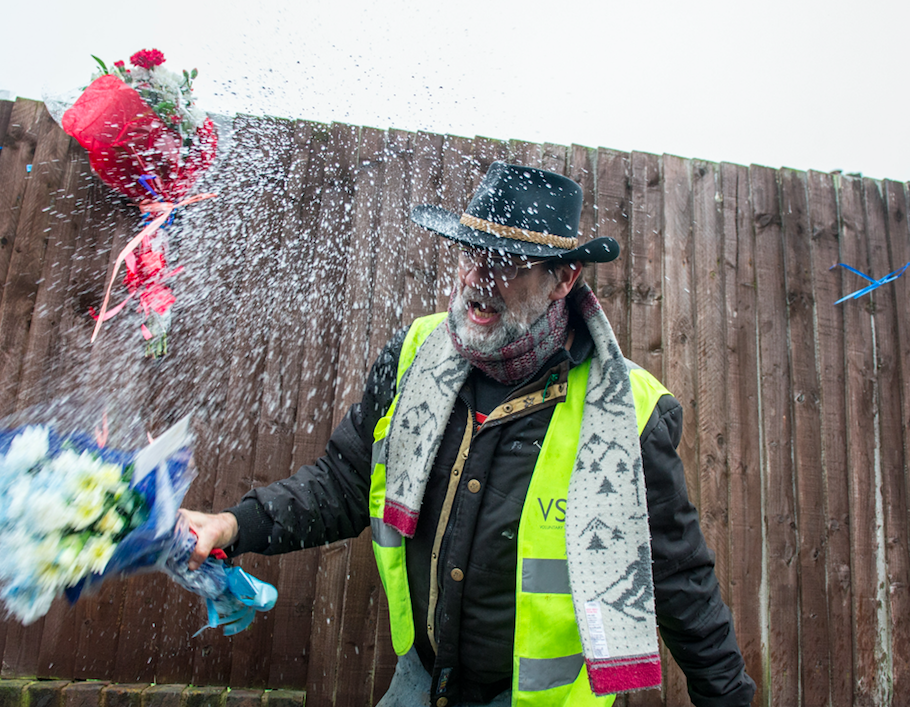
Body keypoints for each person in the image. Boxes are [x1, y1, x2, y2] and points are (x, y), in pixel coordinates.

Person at [180, 162, 756, 707]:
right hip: (419, 682)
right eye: (471, 254)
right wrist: (234, 524)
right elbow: (347, 481)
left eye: (506, 262)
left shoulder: (628, 413)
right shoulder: (415, 355)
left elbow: (681, 579)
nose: (478, 279)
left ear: (563, 279)